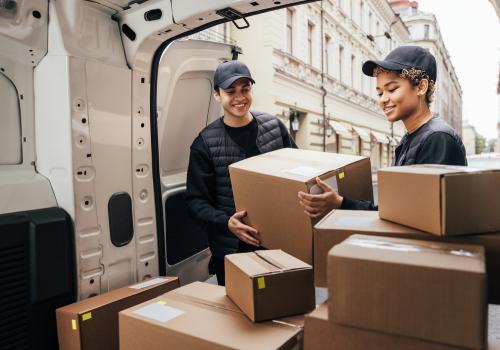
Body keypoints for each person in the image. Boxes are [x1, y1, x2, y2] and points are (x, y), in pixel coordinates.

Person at [298, 45, 467, 215]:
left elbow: (417, 217)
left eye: (392, 89)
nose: (383, 100)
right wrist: (339, 203)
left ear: (421, 87)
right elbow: (397, 210)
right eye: (380, 93)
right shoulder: (412, 137)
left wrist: (341, 204)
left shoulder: (437, 138)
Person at [186, 60, 297, 285]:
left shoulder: (275, 127)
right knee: (236, 317)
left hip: (279, 244)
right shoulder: (205, 143)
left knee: (282, 308)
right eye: (230, 91)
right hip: (231, 251)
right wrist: (226, 222)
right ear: (217, 95)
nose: (240, 97)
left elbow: (296, 174)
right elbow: (196, 202)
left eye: (245, 89)